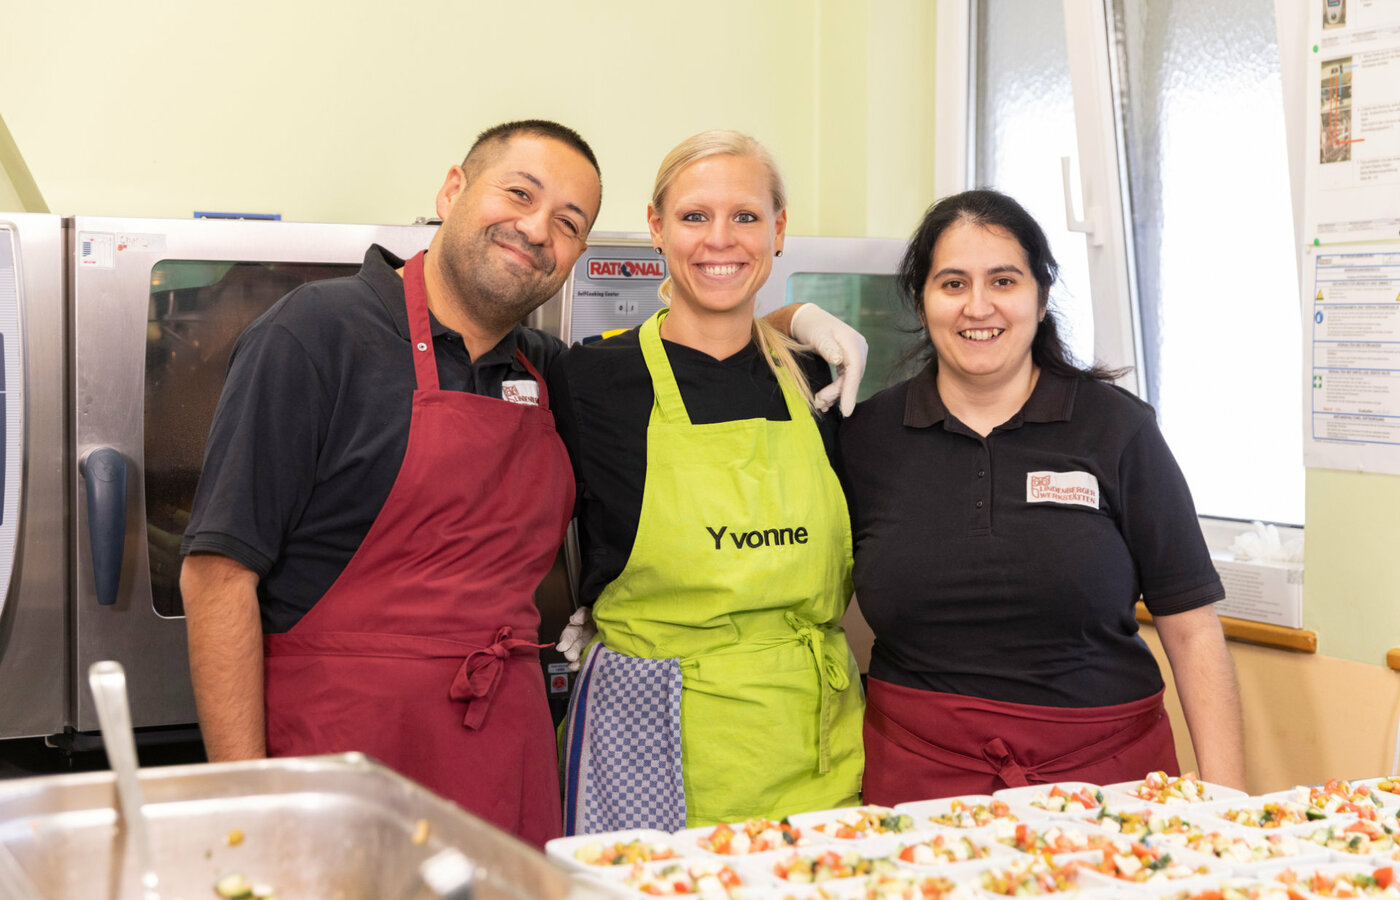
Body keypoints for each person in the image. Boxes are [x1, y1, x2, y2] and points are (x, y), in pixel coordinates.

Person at [179, 119, 867, 846]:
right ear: (452, 191)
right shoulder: (320, 332)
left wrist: (800, 318)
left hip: (506, 747)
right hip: (346, 746)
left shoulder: (543, 368)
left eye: (568, 222)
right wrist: (242, 800)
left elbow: (719, 337)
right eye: (519, 194)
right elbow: (219, 575)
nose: (537, 230)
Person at [839, 189, 1245, 803]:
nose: (979, 306)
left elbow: (1190, 628)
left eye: (1004, 280)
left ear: (1041, 296)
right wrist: (794, 320)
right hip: (918, 783)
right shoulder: (866, 437)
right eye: (952, 284)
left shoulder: (1118, 429)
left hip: (1108, 783)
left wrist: (1230, 804)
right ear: (922, 302)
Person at [552, 130, 865, 835]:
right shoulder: (589, 379)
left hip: (810, 742)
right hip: (649, 741)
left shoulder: (820, 382)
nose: (720, 239)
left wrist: (796, 319)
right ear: (657, 228)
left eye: (746, 217)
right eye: (695, 216)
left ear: (780, 230)